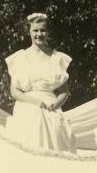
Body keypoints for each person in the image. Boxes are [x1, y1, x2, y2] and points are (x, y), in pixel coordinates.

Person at [4, 13, 76, 152]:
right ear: (29, 32)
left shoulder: (56, 58)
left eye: (43, 30)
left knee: (54, 138)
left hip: (51, 106)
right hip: (27, 104)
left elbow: (64, 92)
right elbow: (14, 91)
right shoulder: (20, 57)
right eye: (35, 30)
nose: (39, 34)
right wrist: (34, 102)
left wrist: (55, 104)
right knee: (32, 124)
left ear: (48, 32)